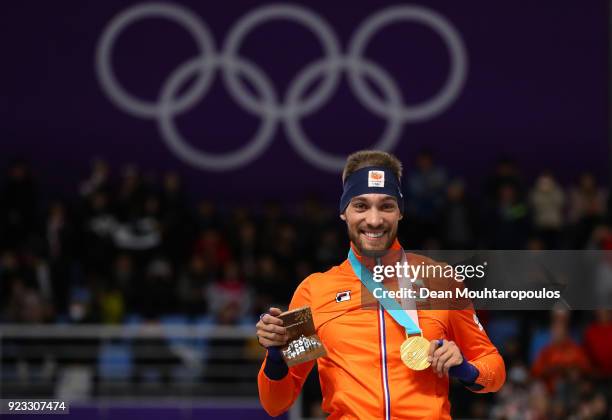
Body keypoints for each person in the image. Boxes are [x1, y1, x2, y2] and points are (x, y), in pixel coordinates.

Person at [256, 150, 506, 419]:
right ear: (344, 212)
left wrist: (466, 369)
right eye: (361, 206)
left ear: (400, 212)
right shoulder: (315, 291)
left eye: (386, 206)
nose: (374, 220)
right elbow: (276, 402)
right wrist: (276, 356)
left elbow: (494, 369)